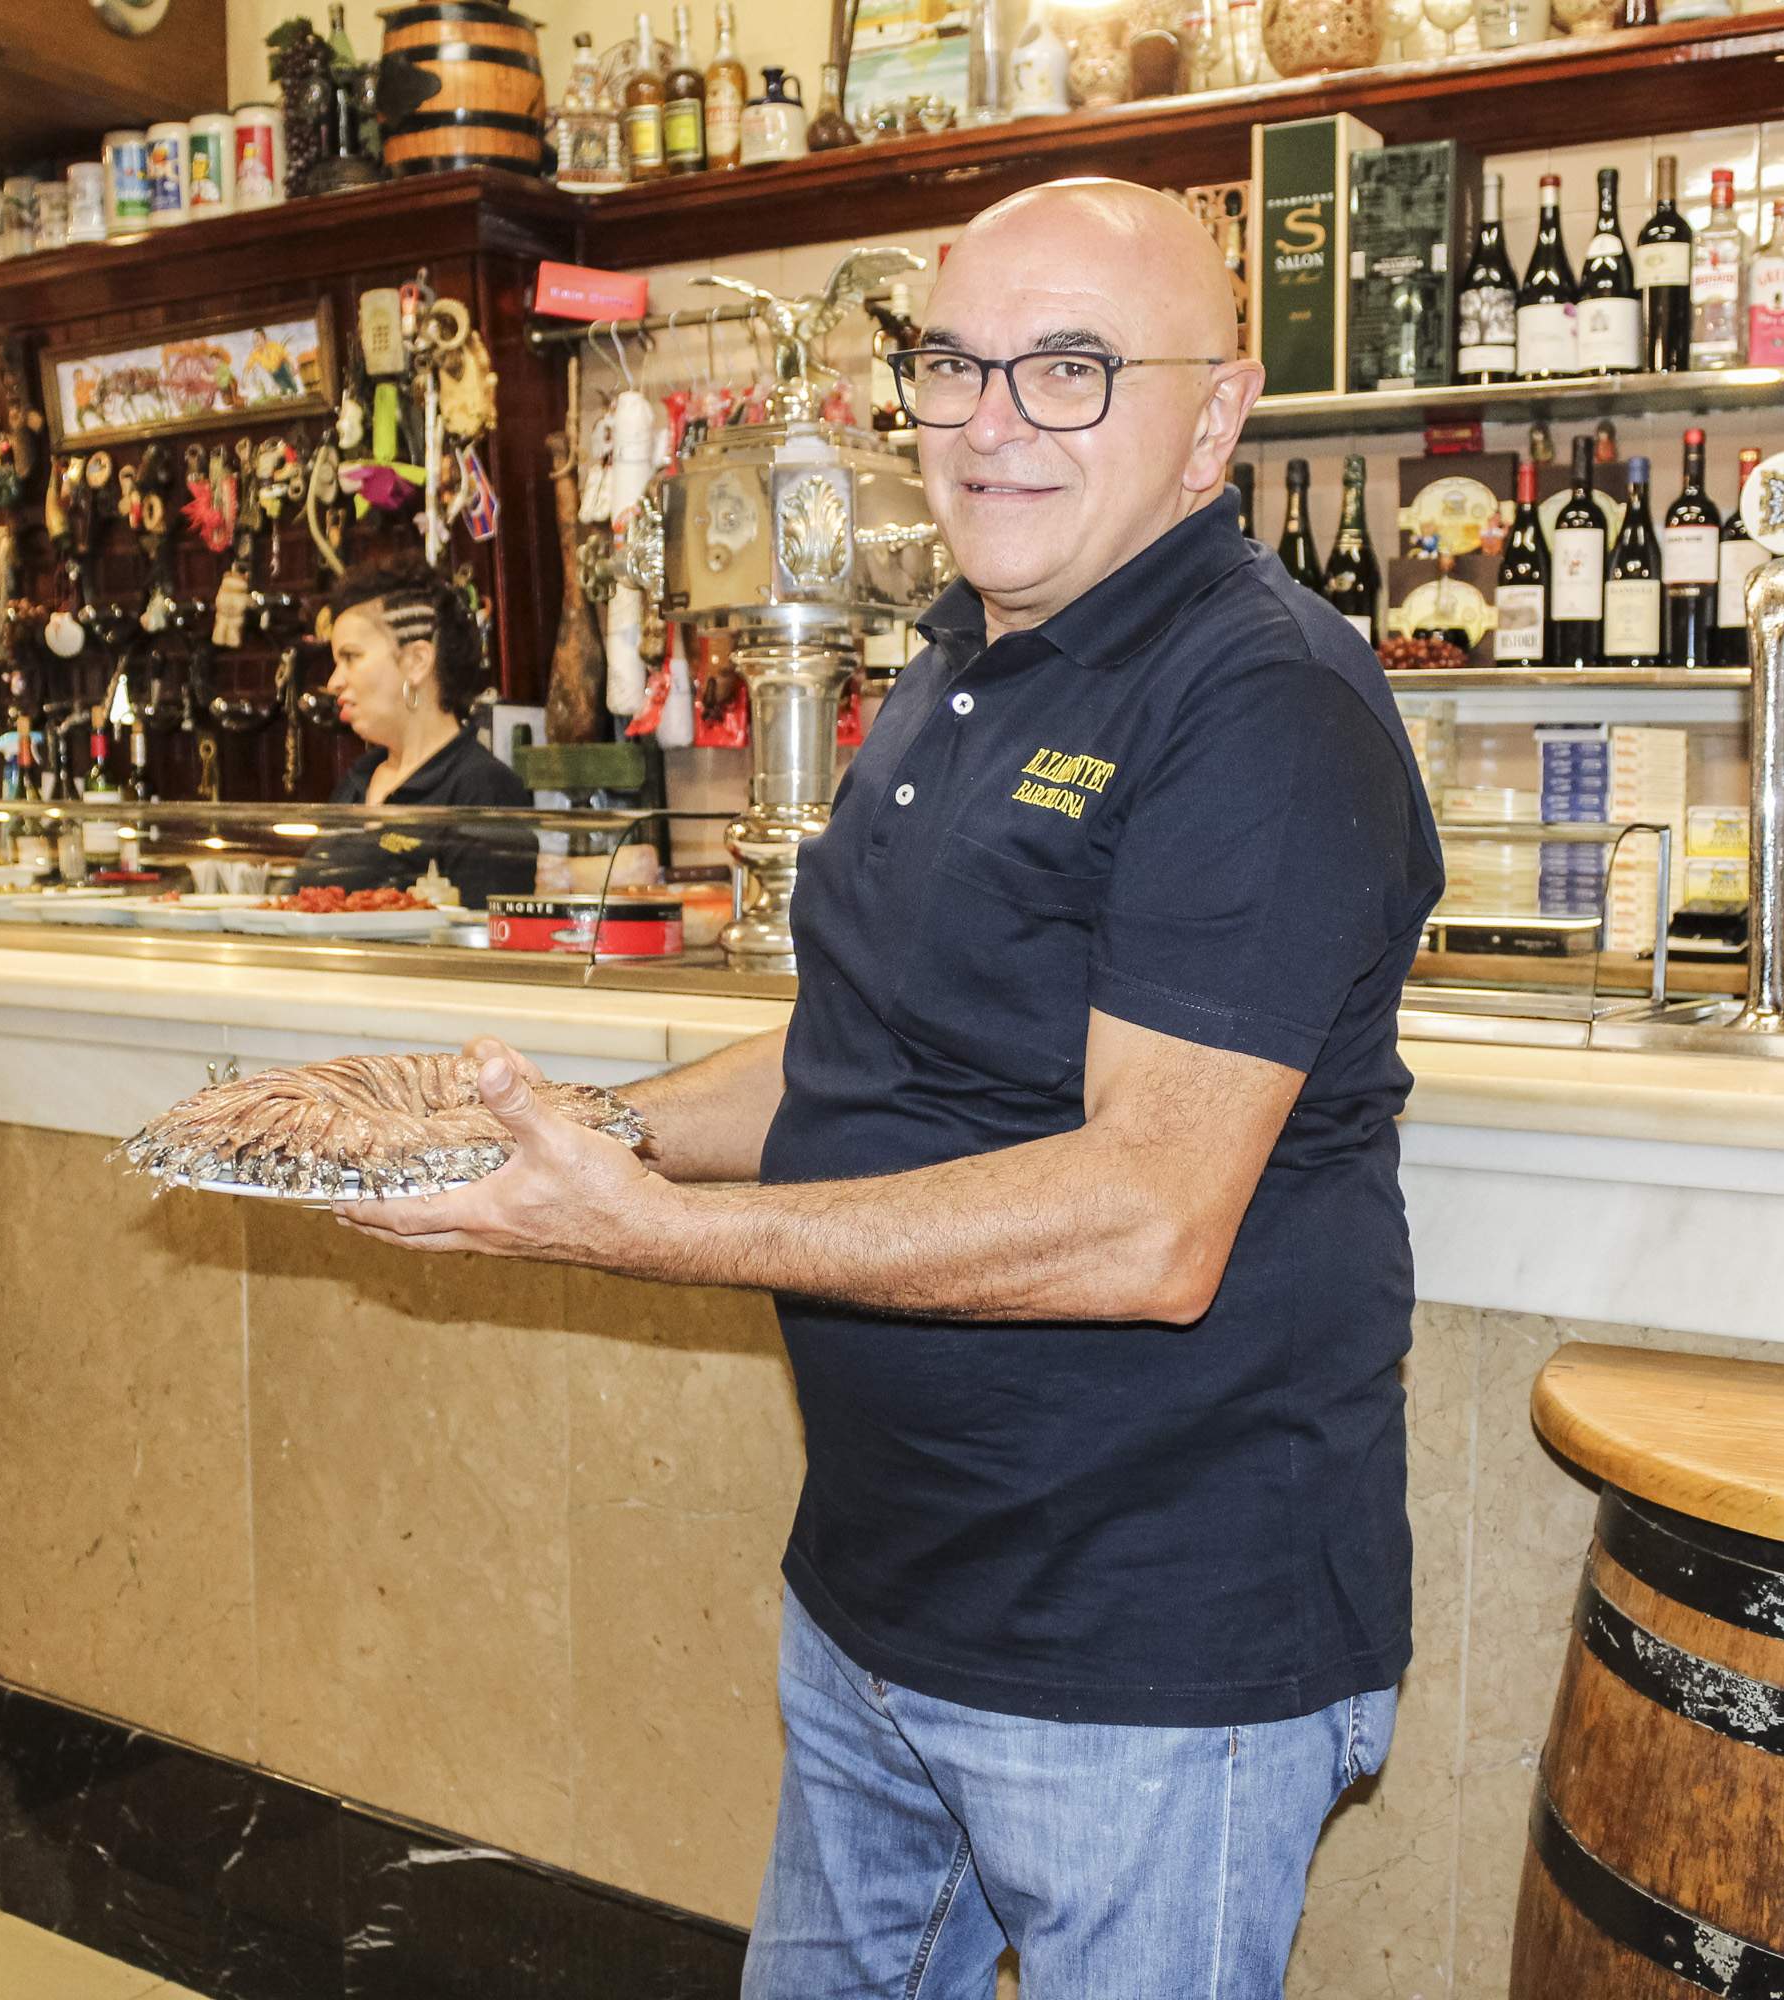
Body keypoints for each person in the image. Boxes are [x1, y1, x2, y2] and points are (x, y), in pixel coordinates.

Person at [341, 178, 1443, 1996]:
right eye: (955, 362)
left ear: (1217, 417)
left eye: (1072, 368)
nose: (992, 418)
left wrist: (652, 1241)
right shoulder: (960, 651)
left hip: (1139, 1645)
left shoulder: (1258, 698)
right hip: (883, 1593)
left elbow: (1152, 1219)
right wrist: (582, 1133)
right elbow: (860, 1052)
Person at [293, 572, 535, 907]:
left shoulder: (482, 788)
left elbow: (485, 940)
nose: (334, 681)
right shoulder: (356, 782)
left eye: (351, 657)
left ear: (417, 662)